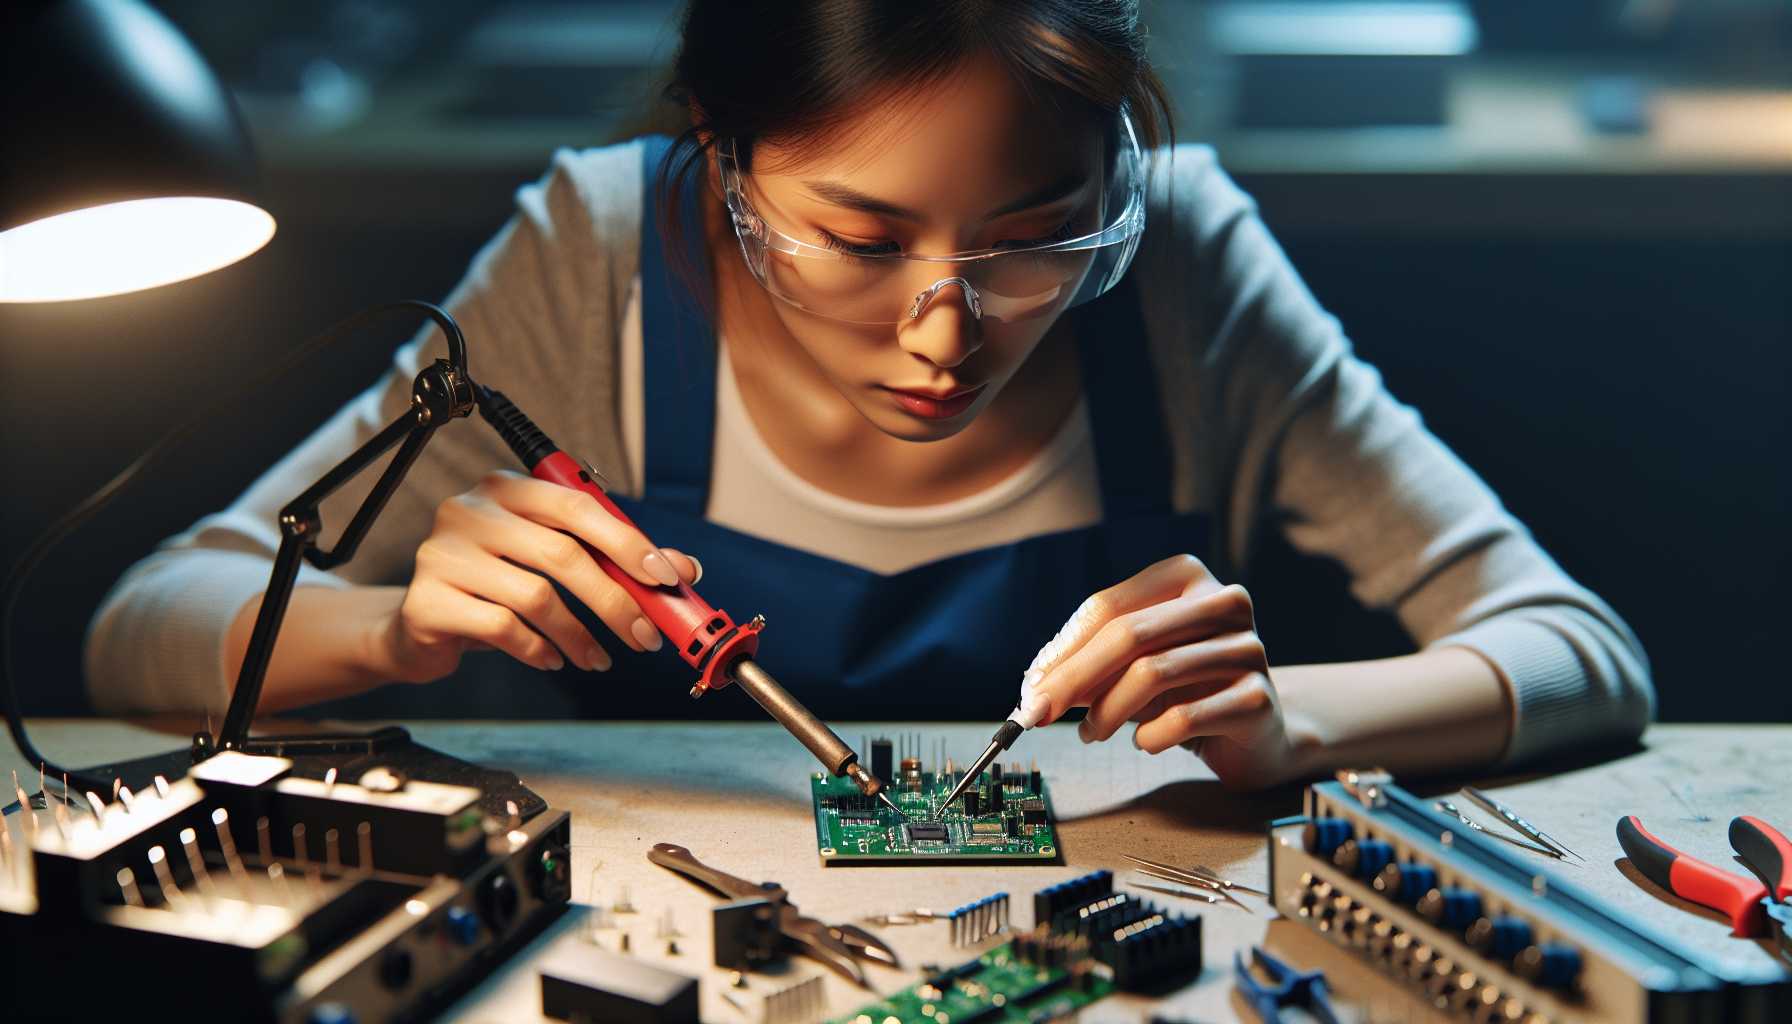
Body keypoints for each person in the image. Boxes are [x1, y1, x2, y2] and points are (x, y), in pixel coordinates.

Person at [86, 1, 1651, 789]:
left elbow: (1586, 654)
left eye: (1037, 239)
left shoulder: (1182, 262)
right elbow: (142, 625)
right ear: (721, 156)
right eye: (857, 236)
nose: (944, 333)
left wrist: (1289, 720)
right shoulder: (601, 254)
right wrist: (396, 630)